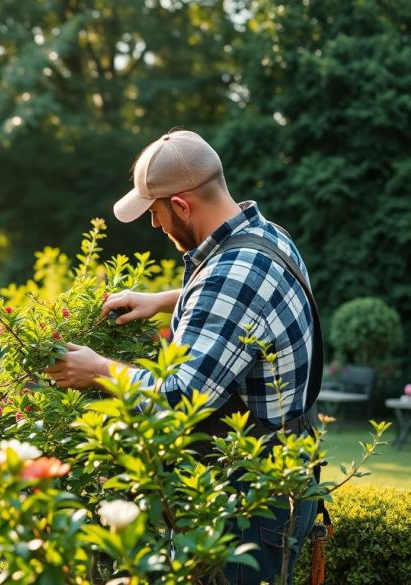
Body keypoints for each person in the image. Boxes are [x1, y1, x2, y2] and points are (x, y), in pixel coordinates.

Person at [44, 129, 318, 585]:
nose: (155, 225)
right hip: (285, 474)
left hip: (246, 501)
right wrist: (165, 298)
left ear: (183, 205)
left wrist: (98, 371)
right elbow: (248, 295)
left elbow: (181, 397)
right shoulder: (267, 237)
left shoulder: (229, 277)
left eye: (155, 212)